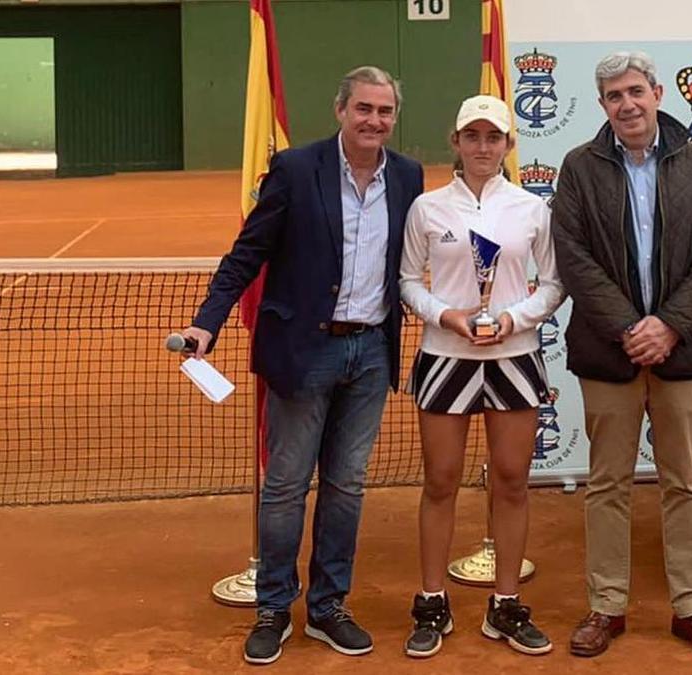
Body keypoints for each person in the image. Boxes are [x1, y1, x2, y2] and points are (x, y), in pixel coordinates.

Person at [182, 66, 424, 666]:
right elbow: (247, 254)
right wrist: (206, 321)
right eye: (364, 108)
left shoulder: (409, 177)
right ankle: (272, 607)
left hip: (370, 352)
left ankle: (327, 607)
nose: (374, 121)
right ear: (341, 109)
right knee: (286, 485)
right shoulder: (295, 169)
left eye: (385, 111)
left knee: (346, 485)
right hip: (303, 351)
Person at [551, 51, 692, 660]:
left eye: (636, 91)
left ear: (657, 93)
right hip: (610, 351)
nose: (627, 104)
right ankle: (607, 605)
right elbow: (572, 255)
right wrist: (633, 327)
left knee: (686, 481)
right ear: (602, 104)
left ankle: (691, 607)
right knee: (608, 483)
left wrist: (670, 326)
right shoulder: (579, 167)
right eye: (613, 96)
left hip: (682, 352)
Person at [398, 94, 565, 658]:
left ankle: (505, 604)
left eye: (494, 137)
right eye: (473, 136)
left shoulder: (531, 209)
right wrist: (446, 316)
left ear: (508, 145)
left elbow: (554, 284)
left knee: (513, 480)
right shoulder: (427, 209)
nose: (483, 146)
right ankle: (432, 600)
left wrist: (514, 319)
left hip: (514, 358)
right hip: (446, 357)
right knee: (440, 480)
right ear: (457, 142)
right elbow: (406, 282)